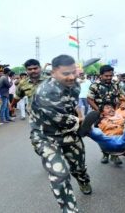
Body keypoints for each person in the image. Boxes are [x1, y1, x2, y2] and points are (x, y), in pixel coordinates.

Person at [30, 54, 91, 213]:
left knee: (78, 167)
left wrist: (80, 113)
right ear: (53, 73)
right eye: (66, 74)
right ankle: (69, 210)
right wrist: (83, 122)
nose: (71, 77)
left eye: (73, 72)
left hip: (70, 134)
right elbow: (63, 120)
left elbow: (73, 104)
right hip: (46, 136)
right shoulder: (46, 92)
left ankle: (83, 180)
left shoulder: (74, 84)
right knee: (60, 174)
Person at [87, 64, 122, 165]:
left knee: (116, 133)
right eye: (106, 76)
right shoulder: (94, 85)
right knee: (103, 136)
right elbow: (90, 99)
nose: (109, 78)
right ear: (101, 75)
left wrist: (118, 109)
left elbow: (120, 97)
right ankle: (105, 154)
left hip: (114, 114)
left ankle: (115, 155)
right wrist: (99, 111)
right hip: (100, 115)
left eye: (110, 75)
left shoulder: (116, 84)